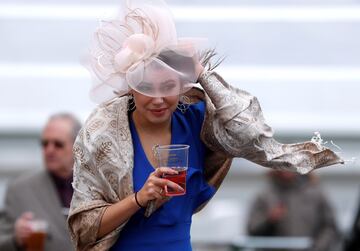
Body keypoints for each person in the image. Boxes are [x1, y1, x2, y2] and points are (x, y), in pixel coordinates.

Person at [67, 0, 343, 250]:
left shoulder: (196, 120)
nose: (159, 99)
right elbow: (82, 229)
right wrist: (139, 198)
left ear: (183, 85)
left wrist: (202, 73)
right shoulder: (104, 132)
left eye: (169, 87)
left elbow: (250, 132)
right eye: (147, 88)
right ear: (131, 88)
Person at [0, 113, 81, 251]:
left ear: (77, 145)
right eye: (45, 144)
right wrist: (16, 238)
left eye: (58, 144)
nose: (49, 150)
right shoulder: (19, 190)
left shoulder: (98, 185)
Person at [247, 170, 341, 251]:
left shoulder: (316, 193)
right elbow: (252, 230)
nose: (287, 168)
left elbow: (330, 227)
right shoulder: (264, 195)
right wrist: (269, 220)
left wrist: (318, 248)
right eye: (284, 162)